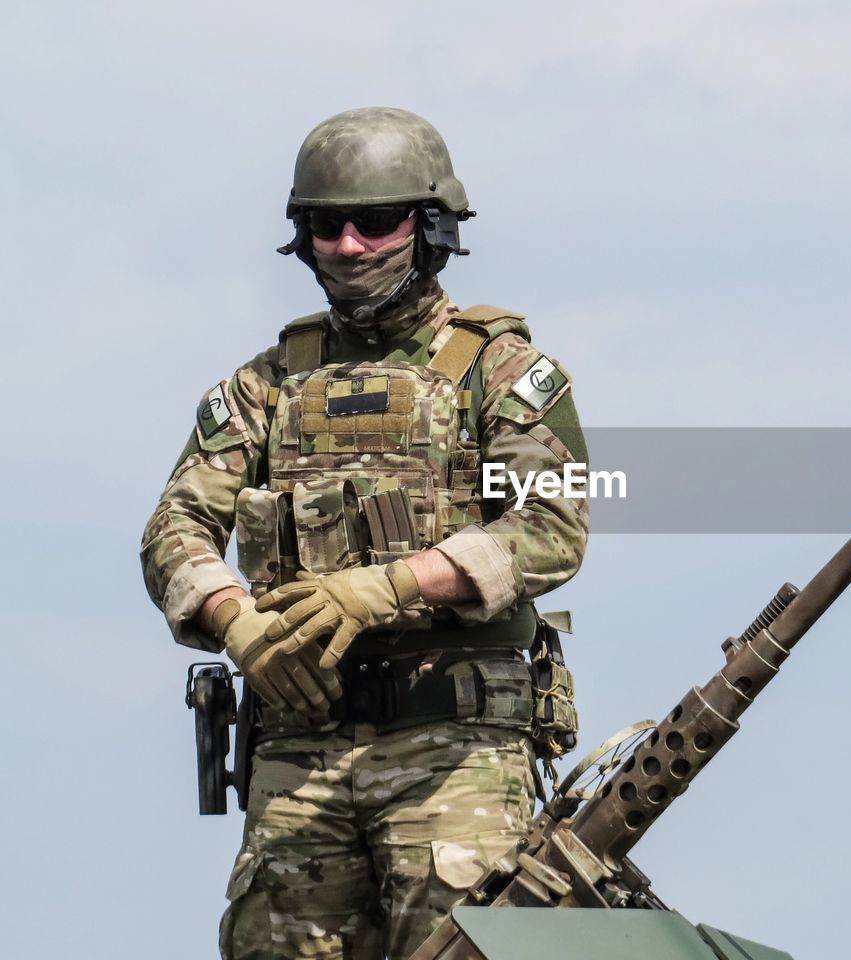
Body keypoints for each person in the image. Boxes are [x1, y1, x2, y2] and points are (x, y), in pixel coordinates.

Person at [140, 106, 589, 960]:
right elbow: (174, 527)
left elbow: (552, 527)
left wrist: (394, 583)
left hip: (453, 754)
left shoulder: (499, 374)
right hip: (297, 753)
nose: (347, 246)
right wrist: (238, 624)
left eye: (375, 223)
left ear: (431, 229)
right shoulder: (264, 389)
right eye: (323, 225)